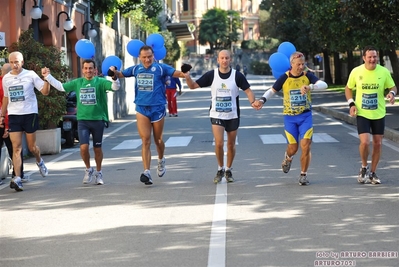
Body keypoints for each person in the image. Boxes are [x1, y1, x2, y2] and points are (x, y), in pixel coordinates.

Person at [111, 45, 186, 185]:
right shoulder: (135, 69)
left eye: (149, 57)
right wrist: (113, 72)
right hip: (141, 108)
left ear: (154, 56)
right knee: (146, 140)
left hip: (157, 109)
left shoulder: (160, 68)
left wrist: (184, 72)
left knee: (158, 140)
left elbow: (176, 73)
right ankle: (146, 172)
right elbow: (121, 74)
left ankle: (161, 159)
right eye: (144, 57)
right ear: (139, 57)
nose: (147, 59)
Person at [254, 51, 328, 185]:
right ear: (291, 64)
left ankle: (303, 175)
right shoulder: (285, 77)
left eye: (303, 64)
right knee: (293, 148)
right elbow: (272, 90)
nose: (301, 67)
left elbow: (324, 85)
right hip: (290, 118)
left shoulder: (307, 76)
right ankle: (288, 158)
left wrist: (310, 86)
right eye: (298, 64)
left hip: (305, 116)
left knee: (305, 145)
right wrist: (262, 100)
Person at [183, 49, 257, 183]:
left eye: (227, 58)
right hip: (216, 114)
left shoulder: (237, 75)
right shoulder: (212, 75)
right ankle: (220, 168)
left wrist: (253, 102)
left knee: (231, 144)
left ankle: (228, 169)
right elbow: (193, 86)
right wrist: (187, 77)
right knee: (218, 143)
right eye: (222, 58)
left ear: (230, 60)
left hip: (233, 114)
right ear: (217, 60)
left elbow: (248, 91)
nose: (224, 60)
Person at [43, 59, 120, 185]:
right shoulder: (78, 82)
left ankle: (99, 172)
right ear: (83, 70)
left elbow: (114, 87)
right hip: (83, 120)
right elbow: (61, 87)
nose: (88, 70)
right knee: (83, 148)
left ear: (95, 70)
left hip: (98, 120)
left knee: (97, 149)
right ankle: (88, 169)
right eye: (86, 68)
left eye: (91, 68)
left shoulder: (100, 82)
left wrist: (114, 77)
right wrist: (48, 76)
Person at [345, 45, 397, 185]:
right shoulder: (356, 72)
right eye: (369, 57)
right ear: (364, 58)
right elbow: (348, 88)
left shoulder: (383, 71)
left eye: (375, 57)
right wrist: (351, 104)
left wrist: (392, 94)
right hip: (362, 113)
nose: (372, 59)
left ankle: (373, 173)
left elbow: (393, 87)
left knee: (378, 144)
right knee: (365, 142)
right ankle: (363, 166)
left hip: (379, 113)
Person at [0, 51, 50, 192]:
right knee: (16, 148)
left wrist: (47, 78)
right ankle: (17, 178)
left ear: (22, 62)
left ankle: (39, 161)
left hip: (29, 114)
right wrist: (2, 116)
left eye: (17, 62)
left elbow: (45, 91)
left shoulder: (31, 75)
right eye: (12, 62)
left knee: (32, 147)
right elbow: (5, 98)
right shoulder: (6, 79)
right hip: (14, 115)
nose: (14, 65)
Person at [0, 63, 27, 185]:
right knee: (16, 148)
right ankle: (18, 174)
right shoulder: (9, 83)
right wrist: (6, 125)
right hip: (8, 120)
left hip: (5, 119)